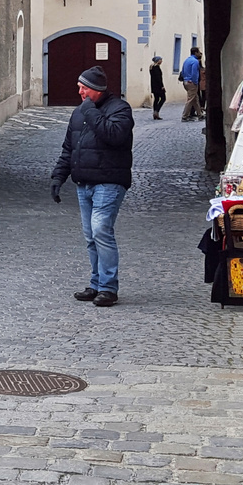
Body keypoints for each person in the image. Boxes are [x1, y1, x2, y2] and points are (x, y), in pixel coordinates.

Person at [51, 65, 134, 307]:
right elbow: (70, 148)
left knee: (101, 231)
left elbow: (115, 135)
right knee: (90, 236)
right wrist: (58, 177)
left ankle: (108, 287)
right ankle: (96, 283)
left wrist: (90, 112)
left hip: (109, 181)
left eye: (83, 88)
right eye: (79, 87)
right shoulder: (79, 113)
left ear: (97, 89)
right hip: (84, 183)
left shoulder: (120, 109)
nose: (80, 92)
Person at [180, 47, 203, 121]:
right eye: (199, 52)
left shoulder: (186, 60)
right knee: (190, 100)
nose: (199, 53)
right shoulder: (195, 61)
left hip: (186, 81)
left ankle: (200, 115)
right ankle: (184, 116)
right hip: (191, 82)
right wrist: (195, 82)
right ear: (195, 52)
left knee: (195, 99)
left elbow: (183, 71)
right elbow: (194, 73)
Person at [149, 56, 167, 120]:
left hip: (154, 86)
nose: (161, 61)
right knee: (163, 98)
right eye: (160, 60)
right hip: (158, 86)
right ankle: (156, 111)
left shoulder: (152, 67)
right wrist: (162, 86)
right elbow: (158, 78)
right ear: (158, 61)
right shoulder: (156, 68)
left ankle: (155, 113)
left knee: (156, 99)